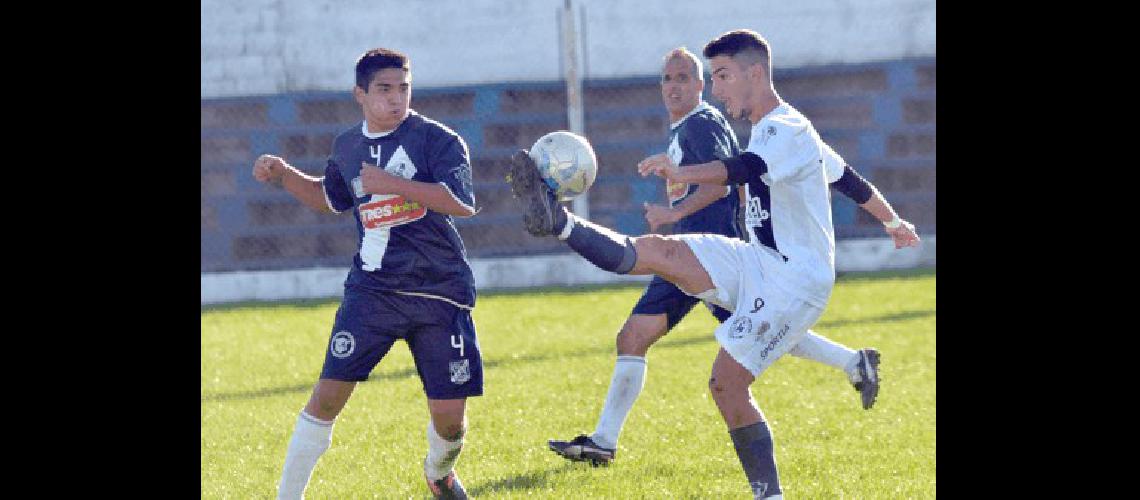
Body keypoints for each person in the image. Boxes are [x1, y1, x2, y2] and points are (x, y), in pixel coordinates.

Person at [508, 30, 917, 499]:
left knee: (726, 385)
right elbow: (848, 178)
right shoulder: (776, 129)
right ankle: (557, 221)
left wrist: (681, 173)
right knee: (662, 252)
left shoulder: (786, 129)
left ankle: (771, 495)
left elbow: (741, 170)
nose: (717, 88)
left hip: (795, 281)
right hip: (757, 260)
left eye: (722, 76)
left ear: (755, 74)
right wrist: (892, 220)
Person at [252, 48, 480, 500]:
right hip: (373, 292)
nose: (396, 99)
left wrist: (392, 184)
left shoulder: (438, 140)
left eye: (404, 89)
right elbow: (331, 199)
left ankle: (438, 473)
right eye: (384, 90)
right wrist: (284, 176)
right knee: (326, 398)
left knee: (451, 421)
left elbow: (462, 203)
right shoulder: (347, 146)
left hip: (440, 292)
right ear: (360, 94)